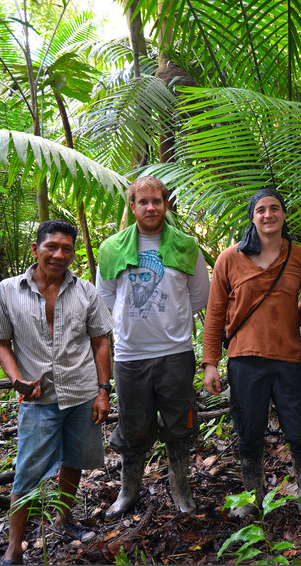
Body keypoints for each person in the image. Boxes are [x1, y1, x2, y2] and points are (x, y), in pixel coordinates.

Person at [0, 219, 113, 565]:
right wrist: (17, 380)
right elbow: (1, 343)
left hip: (82, 392)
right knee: (28, 472)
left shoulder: (85, 290)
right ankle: (14, 547)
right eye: (51, 247)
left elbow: (101, 343)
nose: (58, 254)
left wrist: (103, 391)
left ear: (73, 253)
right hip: (39, 399)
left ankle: (64, 519)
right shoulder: (8, 291)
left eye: (66, 248)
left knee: (75, 460)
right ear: (35, 249)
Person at [201, 189, 301, 524]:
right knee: (249, 433)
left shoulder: (300, 257)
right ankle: (251, 498)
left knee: (299, 433)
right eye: (261, 210)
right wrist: (210, 362)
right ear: (253, 218)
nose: (268, 215)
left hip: (288, 360)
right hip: (245, 360)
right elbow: (214, 313)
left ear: (284, 216)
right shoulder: (230, 258)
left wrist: (294, 316)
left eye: (275, 209)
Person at [96, 175, 210, 520]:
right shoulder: (112, 248)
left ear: (165, 205)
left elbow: (199, 296)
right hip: (130, 355)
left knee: (178, 423)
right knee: (132, 425)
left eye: (156, 201)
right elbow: (105, 297)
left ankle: (181, 489)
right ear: (132, 208)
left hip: (175, 352)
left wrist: (169, 319)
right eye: (142, 202)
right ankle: (128, 491)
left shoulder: (186, 246)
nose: (150, 207)